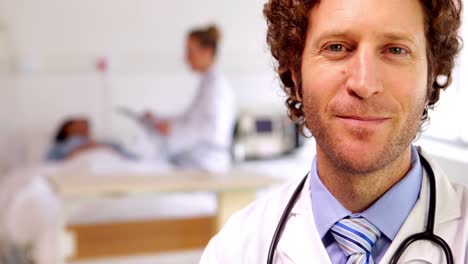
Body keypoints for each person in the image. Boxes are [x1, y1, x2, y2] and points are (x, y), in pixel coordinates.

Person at [200, 0, 467, 263]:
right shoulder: (234, 250)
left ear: (432, 73)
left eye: (396, 50)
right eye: (336, 47)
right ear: (295, 72)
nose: (364, 84)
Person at [145, 25, 236, 172]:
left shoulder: (217, 87)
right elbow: (190, 117)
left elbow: (211, 129)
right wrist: (161, 120)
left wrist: (171, 129)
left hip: (208, 163)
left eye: (190, 51)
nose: (186, 58)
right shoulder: (207, 83)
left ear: (207, 51)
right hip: (198, 160)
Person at [46, 117, 135, 161]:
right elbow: (49, 164)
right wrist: (82, 149)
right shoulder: (59, 147)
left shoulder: (109, 143)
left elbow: (129, 157)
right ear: (66, 129)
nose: (83, 128)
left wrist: (100, 147)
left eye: (86, 126)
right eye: (78, 126)